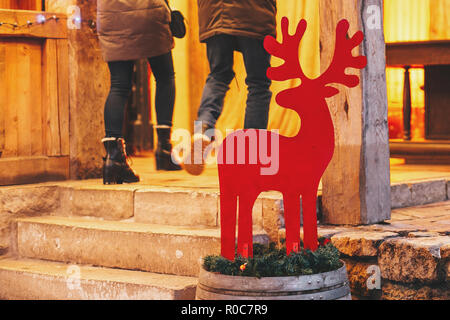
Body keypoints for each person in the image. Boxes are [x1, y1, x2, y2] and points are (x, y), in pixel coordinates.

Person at [183, 0, 277, 175]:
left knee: (218, 75)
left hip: (214, 13)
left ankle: (203, 128)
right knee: (258, 84)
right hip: (255, 13)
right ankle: (251, 156)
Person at [97, 0, 181, 185]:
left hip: (111, 16)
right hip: (149, 14)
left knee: (118, 85)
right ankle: (164, 150)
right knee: (165, 77)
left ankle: (114, 159)